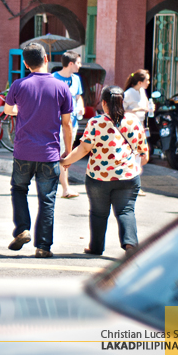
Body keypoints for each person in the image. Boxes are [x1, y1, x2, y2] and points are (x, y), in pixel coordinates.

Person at [4, 42, 74, 258]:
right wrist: (68, 152)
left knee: (19, 189)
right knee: (47, 199)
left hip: (23, 151)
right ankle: (43, 247)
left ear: (25, 63)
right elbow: (67, 123)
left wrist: (21, 110)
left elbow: (8, 110)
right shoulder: (62, 87)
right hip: (49, 153)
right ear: (46, 60)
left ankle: (22, 229)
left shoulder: (19, 85)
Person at [60, 86, 149, 256]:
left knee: (98, 213)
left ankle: (96, 247)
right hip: (128, 176)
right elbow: (144, 156)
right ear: (122, 102)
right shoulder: (133, 122)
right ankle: (130, 245)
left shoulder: (96, 122)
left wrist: (66, 161)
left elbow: (84, 149)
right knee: (126, 211)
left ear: (104, 103)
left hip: (98, 177)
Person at [53, 50, 84, 199]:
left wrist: (81, 106)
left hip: (72, 123)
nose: (80, 65)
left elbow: (78, 97)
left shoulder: (76, 79)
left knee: (66, 154)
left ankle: (64, 188)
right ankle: (64, 188)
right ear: (70, 64)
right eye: (78, 62)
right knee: (59, 154)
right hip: (57, 124)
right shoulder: (53, 79)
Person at [123, 69, 153, 196]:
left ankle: (131, 183)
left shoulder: (142, 92)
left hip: (141, 126)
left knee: (142, 156)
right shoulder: (129, 93)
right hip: (130, 126)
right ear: (140, 82)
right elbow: (122, 110)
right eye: (147, 80)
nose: (149, 82)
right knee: (136, 156)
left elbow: (146, 107)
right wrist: (138, 109)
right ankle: (134, 185)